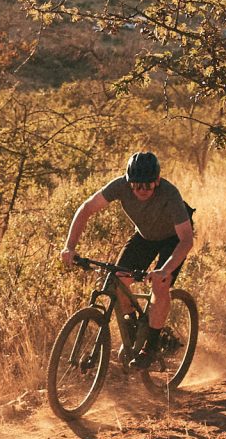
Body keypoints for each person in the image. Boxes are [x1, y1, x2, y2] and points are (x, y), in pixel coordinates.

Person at [62, 150, 197, 361]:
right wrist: (69, 247)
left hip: (173, 238)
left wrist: (165, 269)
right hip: (144, 236)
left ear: (157, 180)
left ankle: (150, 347)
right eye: (136, 185)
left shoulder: (170, 194)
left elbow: (186, 240)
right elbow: (87, 208)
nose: (142, 190)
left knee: (160, 285)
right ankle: (135, 333)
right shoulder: (120, 186)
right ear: (128, 181)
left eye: (148, 185)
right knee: (118, 280)